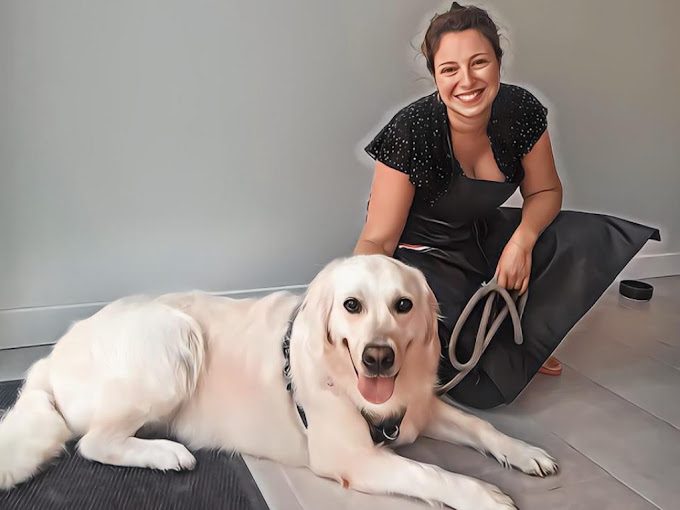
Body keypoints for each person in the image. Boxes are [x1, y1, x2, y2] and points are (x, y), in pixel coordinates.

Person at [354, 2, 659, 409]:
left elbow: (545, 192)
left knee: (582, 238)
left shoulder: (521, 111)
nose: (466, 80)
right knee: (467, 369)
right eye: (449, 70)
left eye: (479, 62)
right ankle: (508, 351)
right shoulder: (411, 129)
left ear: (498, 61)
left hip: (483, 235)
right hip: (424, 256)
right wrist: (367, 314)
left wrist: (522, 242)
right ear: (435, 77)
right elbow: (377, 240)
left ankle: (524, 345)